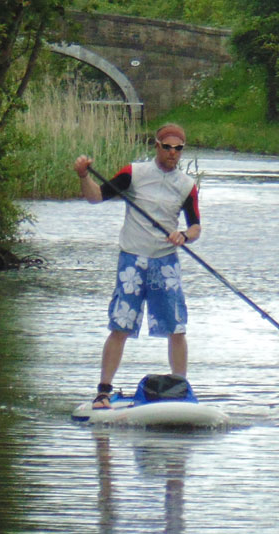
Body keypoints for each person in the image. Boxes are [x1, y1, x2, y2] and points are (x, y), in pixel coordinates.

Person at [74, 123, 201, 409]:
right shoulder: (134, 173)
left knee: (176, 327)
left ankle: (179, 388)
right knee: (120, 325)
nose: (172, 153)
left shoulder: (187, 186)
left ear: (182, 151)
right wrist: (83, 176)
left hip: (165, 262)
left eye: (177, 148)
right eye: (166, 147)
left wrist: (183, 236)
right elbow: (95, 197)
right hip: (132, 260)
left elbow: (196, 227)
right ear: (156, 146)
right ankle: (103, 391)